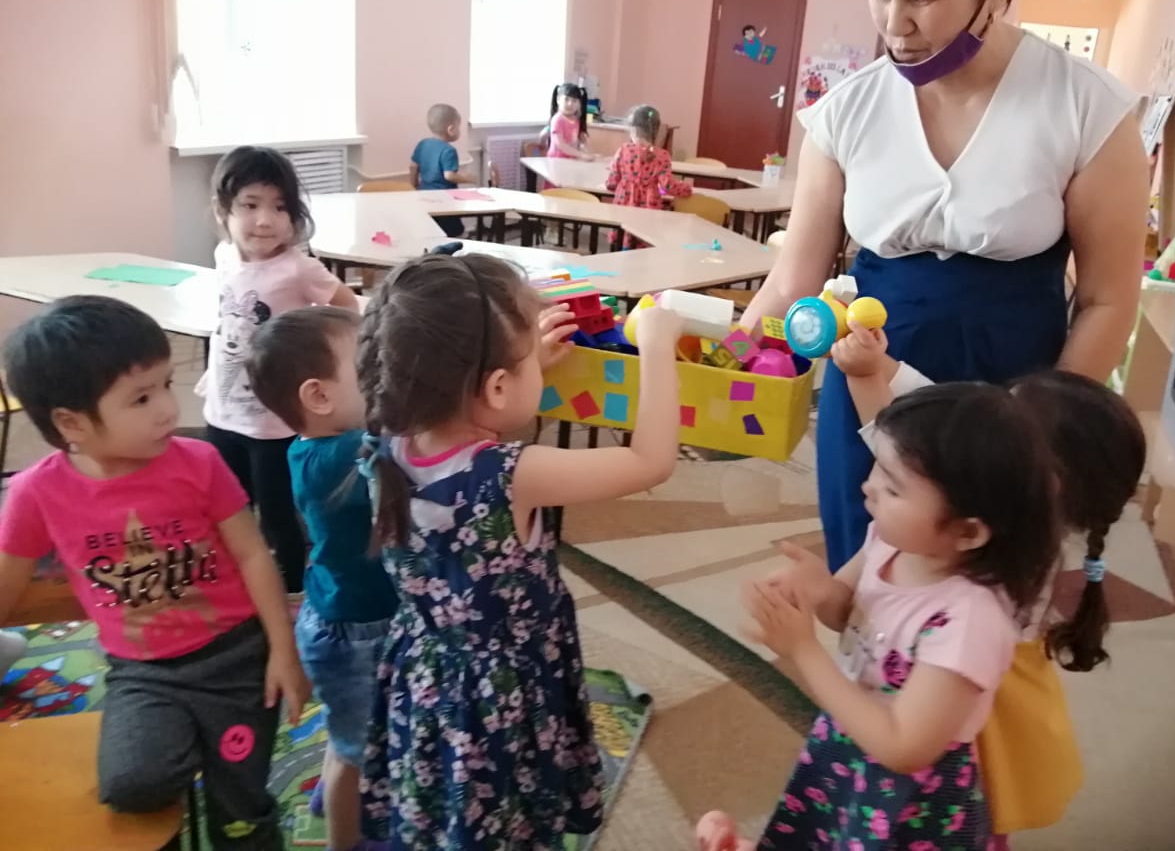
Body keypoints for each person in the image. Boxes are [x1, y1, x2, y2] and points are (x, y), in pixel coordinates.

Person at [739, 0, 1149, 571]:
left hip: (1012, 389)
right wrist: (725, 354)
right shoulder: (846, 112)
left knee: (984, 580)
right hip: (869, 378)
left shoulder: (1087, 108)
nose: (895, 24)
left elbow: (1108, 299)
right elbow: (793, 280)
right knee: (866, 565)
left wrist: (1041, 434)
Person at [355, 253, 684, 848]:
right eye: (529, 358)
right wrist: (659, 346)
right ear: (497, 386)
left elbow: (476, 412)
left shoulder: (385, 440)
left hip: (427, 670)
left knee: (442, 793)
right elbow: (651, 461)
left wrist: (523, 366)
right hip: (503, 692)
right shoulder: (511, 475)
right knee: (505, 813)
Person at [0, 296, 310, 850]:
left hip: (238, 656)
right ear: (71, 422)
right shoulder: (35, 493)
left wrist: (282, 651)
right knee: (134, 786)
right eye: (142, 398)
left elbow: (252, 555)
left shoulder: (199, 461)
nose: (169, 408)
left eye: (166, 384)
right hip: (144, 672)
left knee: (240, 805)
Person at [700, 382, 1062, 850]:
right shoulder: (890, 542)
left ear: (967, 532)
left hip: (909, 797)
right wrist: (820, 589)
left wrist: (803, 650)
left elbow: (903, 747)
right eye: (877, 467)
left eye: (892, 487)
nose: (868, 487)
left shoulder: (969, 623)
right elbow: (848, 615)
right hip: (853, 737)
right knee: (827, 830)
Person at [828, 324, 1147, 848]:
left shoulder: (1019, 555)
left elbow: (921, 468)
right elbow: (921, 447)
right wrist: (873, 370)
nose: (986, 426)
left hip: (966, 716)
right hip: (918, 693)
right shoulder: (1005, 515)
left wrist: (870, 378)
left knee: (963, 819)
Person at [245, 307, 396, 851]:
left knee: (355, 730)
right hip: (355, 630)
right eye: (370, 369)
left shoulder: (324, 445)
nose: (386, 379)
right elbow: (416, 443)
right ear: (319, 396)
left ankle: (343, 795)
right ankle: (343, 835)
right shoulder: (345, 455)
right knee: (355, 749)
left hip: (348, 614)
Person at [199, 146, 360, 593]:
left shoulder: (298, 269)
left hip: (272, 421)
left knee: (277, 515)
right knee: (227, 507)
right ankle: (239, 586)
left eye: (279, 207)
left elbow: (346, 307)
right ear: (222, 210)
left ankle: (289, 594)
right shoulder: (224, 255)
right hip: (222, 411)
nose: (265, 220)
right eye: (250, 205)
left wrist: (319, 356)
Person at [605, 104, 691, 210]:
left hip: (623, 206)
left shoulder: (623, 150)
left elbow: (612, 181)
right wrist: (686, 189)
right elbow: (667, 185)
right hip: (649, 207)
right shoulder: (662, 155)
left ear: (633, 130)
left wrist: (615, 186)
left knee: (622, 221)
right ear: (656, 130)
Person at [410, 103, 474, 238]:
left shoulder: (423, 144)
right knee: (453, 231)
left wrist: (414, 185)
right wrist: (468, 178)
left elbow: (413, 167)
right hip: (444, 199)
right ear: (451, 129)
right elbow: (449, 176)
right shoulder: (449, 150)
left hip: (424, 196)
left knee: (431, 229)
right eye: (459, 127)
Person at [545, 82, 594, 159]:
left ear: (579, 104)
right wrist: (581, 154)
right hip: (556, 160)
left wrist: (585, 149)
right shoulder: (557, 120)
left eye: (574, 101)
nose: (570, 104)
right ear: (558, 100)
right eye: (566, 99)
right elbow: (561, 145)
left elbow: (581, 141)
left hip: (570, 160)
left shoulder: (576, 120)